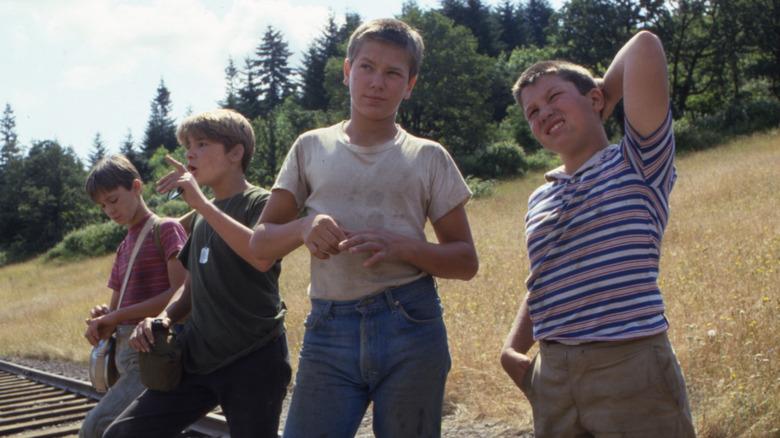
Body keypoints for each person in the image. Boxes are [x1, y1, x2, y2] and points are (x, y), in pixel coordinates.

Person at [250, 18, 479, 438]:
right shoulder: (309, 147)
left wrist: (404, 247)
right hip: (329, 330)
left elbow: (465, 261)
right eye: (367, 67)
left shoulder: (429, 157)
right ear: (346, 72)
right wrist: (304, 226)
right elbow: (260, 245)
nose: (378, 82)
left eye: (394, 73)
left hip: (412, 324)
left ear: (409, 85)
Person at [499, 31, 696, 437]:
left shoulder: (638, 163)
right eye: (533, 112)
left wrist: (601, 95)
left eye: (555, 97)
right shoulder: (540, 196)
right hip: (553, 373)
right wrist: (512, 349)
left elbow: (644, 47)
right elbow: (545, 279)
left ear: (594, 100)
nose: (543, 113)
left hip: (629, 366)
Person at [103, 109, 291, 438]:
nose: (189, 153)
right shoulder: (201, 220)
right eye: (188, 145)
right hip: (197, 359)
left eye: (202, 144)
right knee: (122, 434)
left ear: (236, 153)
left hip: (253, 357)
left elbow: (260, 256)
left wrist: (202, 204)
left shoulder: (258, 202)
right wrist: (162, 318)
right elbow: (188, 291)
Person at [81, 155, 188, 438]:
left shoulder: (166, 229)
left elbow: (179, 293)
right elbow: (116, 310)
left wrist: (115, 316)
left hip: (153, 353)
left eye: (114, 200)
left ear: (137, 187)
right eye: (102, 205)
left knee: (96, 427)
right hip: (127, 357)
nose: (109, 210)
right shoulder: (122, 247)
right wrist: (104, 319)